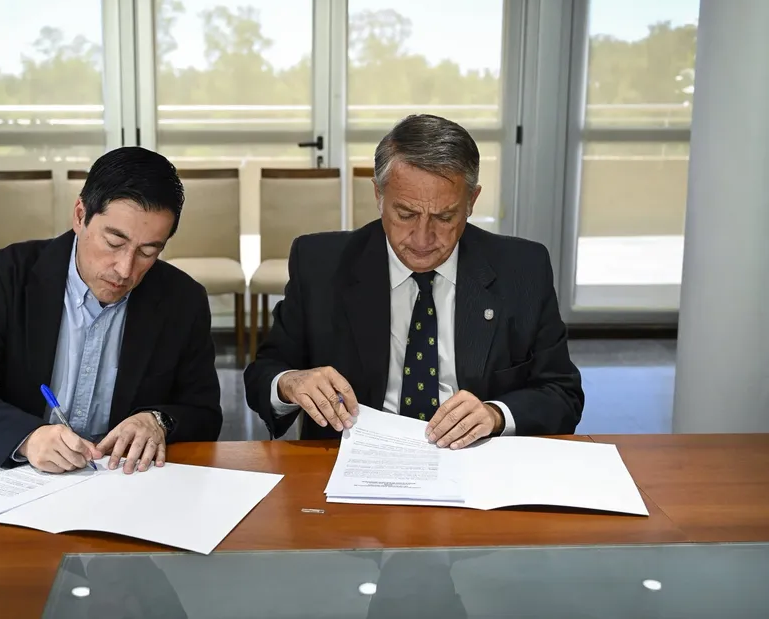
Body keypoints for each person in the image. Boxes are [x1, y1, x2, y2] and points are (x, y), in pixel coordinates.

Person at [245, 114, 583, 447]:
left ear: (471, 201)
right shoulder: (320, 265)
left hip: (475, 457)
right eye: (405, 214)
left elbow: (562, 393)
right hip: (351, 458)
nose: (423, 239)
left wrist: (495, 415)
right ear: (378, 195)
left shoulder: (522, 269)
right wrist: (289, 383)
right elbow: (264, 374)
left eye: (444, 217)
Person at [0, 147, 222, 473]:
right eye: (114, 242)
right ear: (80, 215)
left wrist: (158, 420)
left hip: (123, 479)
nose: (125, 269)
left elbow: (204, 413)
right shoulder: (11, 274)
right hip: (27, 476)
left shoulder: (183, 300)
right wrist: (27, 437)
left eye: (148, 252)